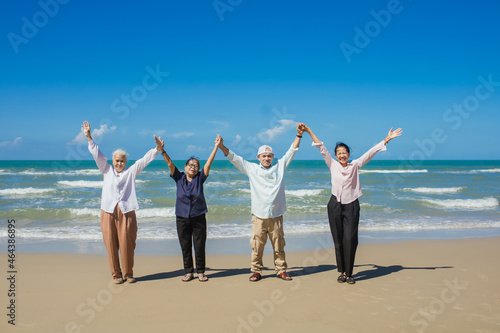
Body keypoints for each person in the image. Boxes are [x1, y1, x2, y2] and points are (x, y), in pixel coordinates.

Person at [302, 124, 402, 284]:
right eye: (339, 153)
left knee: (350, 239)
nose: (342, 155)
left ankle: (350, 273)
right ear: (335, 155)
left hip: (351, 205)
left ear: (348, 154)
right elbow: (321, 147)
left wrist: (387, 139)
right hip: (334, 204)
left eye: (344, 153)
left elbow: (370, 153)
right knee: (338, 239)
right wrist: (309, 132)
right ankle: (342, 272)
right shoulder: (332, 164)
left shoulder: (355, 164)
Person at [217, 123, 305, 282]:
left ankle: (281, 270)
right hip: (258, 216)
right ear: (258, 158)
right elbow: (234, 158)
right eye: (263, 156)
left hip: (276, 215)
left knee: (279, 246)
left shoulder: (280, 167)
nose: (266, 158)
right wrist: (222, 146)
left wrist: (299, 135)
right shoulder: (252, 169)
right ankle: (256, 271)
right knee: (257, 246)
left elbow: (291, 151)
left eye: (269, 155)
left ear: (273, 157)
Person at [82, 121, 162, 284]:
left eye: (122, 161)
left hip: (127, 212)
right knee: (110, 245)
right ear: (113, 161)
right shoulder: (106, 169)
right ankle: (116, 275)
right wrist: (89, 137)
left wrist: (157, 149)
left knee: (127, 244)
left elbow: (143, 160)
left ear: (126, 162)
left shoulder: (131, 172)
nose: (119, 163)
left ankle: (128, 274)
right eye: (117, 161)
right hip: (108, 212)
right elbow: (97, 154)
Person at [155, 135, 220, 282]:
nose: (193, 167)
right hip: (182, 217)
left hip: (198, 216)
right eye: (190, 165)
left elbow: (208, 165)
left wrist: (216, 147)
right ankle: (189, 272)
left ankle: (201, 271)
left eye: (196, 165)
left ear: (198, 169)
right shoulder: (179, 178)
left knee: (199, 245)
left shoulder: (200, 178)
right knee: (185, 246)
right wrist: (162, 151)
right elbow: (170, 164)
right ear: (185, 167)